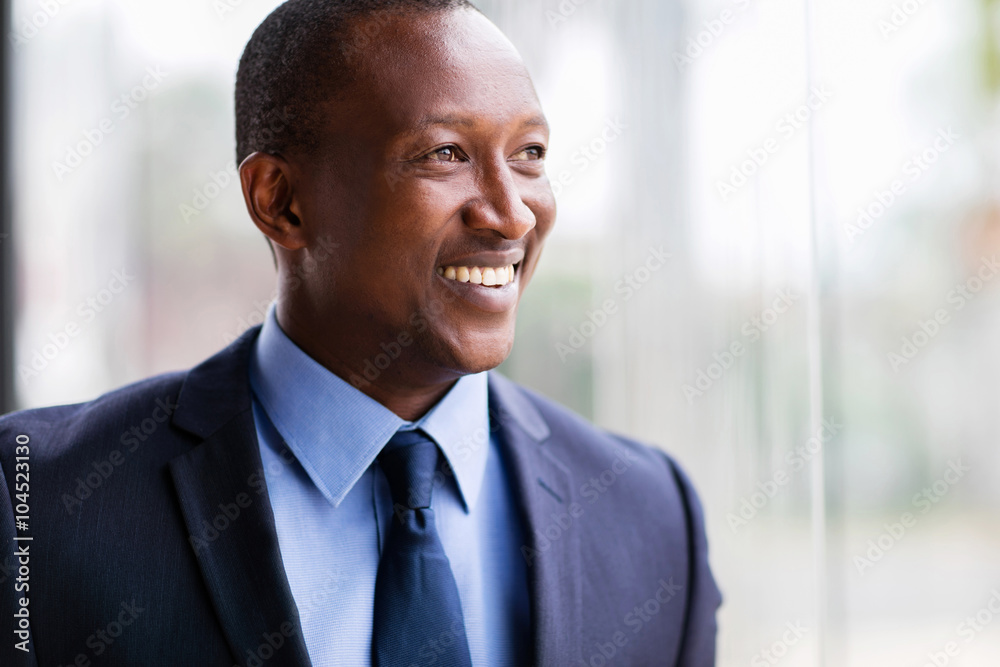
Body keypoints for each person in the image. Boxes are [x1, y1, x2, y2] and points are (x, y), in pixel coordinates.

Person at [0, 1, 722, 665]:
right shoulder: (36, 498)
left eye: (529, 153)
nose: (512, 213)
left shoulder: (651, 516)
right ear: (280, 201)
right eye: (446, 153)